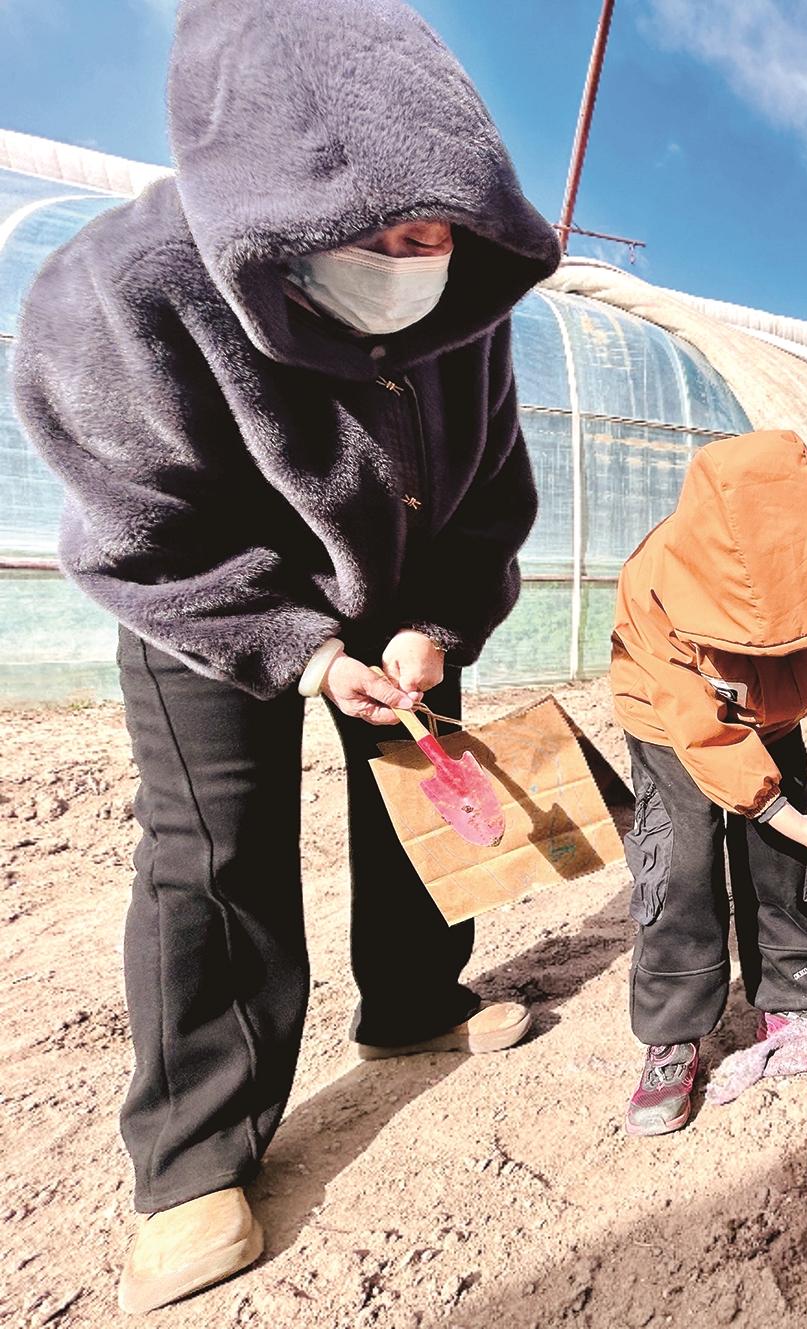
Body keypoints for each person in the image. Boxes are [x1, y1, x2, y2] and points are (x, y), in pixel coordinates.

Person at [10, 0, 561, 1312]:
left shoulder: (464, 304)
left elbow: (489, 492)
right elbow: (144, 527)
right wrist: (299, 652)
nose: (414, 264)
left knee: (429, 779)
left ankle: (414, 1003)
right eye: (380, 239)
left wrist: (433, 628)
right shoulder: (120, 291)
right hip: (210, 593)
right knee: (215, 848)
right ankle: (195, 1156)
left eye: (434, 235)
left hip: (402, 573)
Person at [610, 431, 807, 1136]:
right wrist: (778, 808)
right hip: (671, 725)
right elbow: (699, 726)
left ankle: (793, 997)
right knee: (680, 864)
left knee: (785, 862)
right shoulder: (655, 581)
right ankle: (675, 1029)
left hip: (776, 715)